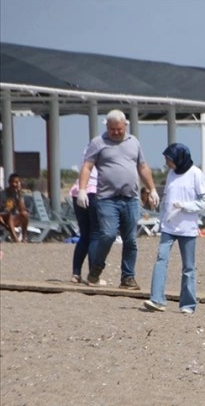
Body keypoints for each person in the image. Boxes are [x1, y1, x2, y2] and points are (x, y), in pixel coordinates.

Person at [77, 109, 159, 289]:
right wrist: (82, 190)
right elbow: (87, 167)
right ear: (107, 126)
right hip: (107, 199)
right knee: (107, 234)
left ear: (125, 126)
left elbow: (143, 167)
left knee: (130, 239)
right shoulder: (98, 143)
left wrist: (152, 189)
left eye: (119, 129)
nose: (115, 132)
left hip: (130, 198)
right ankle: (96, 268)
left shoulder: (133, 142)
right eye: (112, 129)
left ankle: (128, 277)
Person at [143, 143, 205, 314]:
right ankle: (157, 299)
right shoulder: (171, 174)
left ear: (179, 159)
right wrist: (160, 214)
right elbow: (168, 198)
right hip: (168, 227)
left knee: (188, 267)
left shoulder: (196, 174)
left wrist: (185, 206)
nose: (166, 163)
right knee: (161, 260)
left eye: (169, 159)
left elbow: (204, 201)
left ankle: (188, 304)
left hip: (187, 228)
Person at [69, 148, 100, 284]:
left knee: (84, 235)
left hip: (78, 191)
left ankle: (76, 273)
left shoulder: (88, 149)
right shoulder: (105, 148)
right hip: (94, 190)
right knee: (95, 234)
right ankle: (93, 276)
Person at [0, 173, 30, 243]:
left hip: (12, 219)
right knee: (9, 215)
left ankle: (24, 237)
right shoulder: (2, 194)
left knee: (24, 214)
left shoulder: (17, 194)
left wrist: (19, 194)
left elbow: (22, 209)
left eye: (16, 182)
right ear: (9, 182)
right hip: (2, 218)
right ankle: (16, 239)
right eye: (12, 182)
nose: (14, 184)